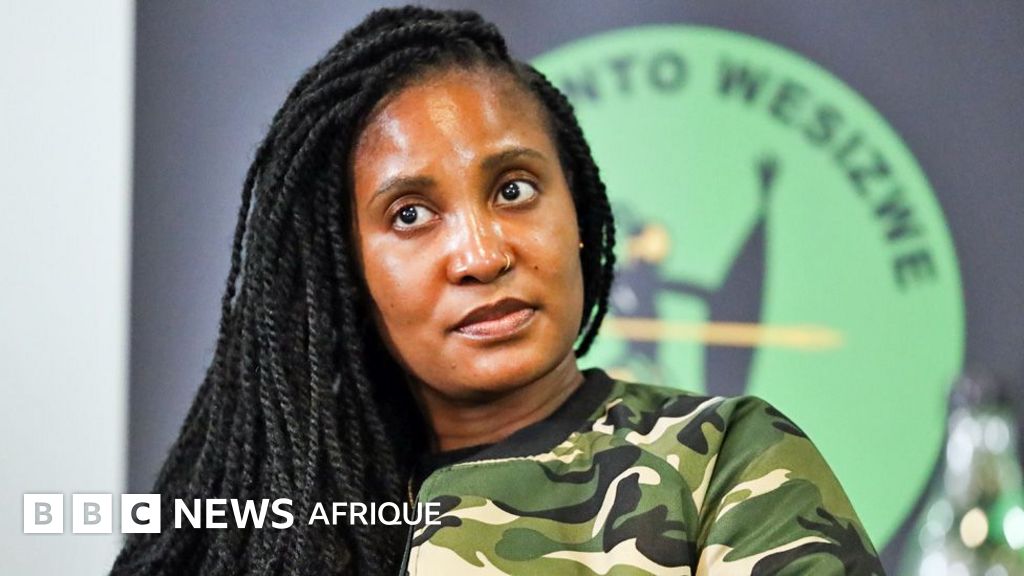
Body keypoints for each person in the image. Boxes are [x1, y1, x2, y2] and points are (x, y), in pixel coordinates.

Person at [110, 6, 884, 576]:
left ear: (576, 212)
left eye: (514, 190)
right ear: (346, 271)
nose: (481, 255)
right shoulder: (282, 528)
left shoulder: (722, 460)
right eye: (410, 214)